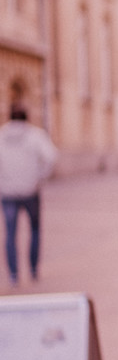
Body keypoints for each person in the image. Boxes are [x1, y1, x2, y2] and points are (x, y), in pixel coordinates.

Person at [0, 105, 58, 286]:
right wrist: (40, 176)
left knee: (10, 233)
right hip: (30, 190)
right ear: (27, 117)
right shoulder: (35, 136)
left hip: (8, 192)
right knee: (34, 230)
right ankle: (33, 269)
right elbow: (51, 157)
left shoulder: (2, 135)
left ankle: (13, 274)